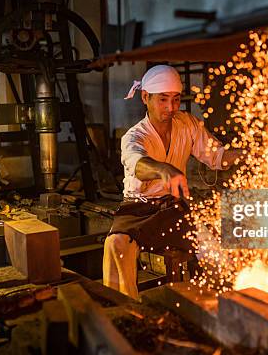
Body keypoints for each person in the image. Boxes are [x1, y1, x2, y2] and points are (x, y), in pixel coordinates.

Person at [102, 65, 242, 299]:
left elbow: (217, 156)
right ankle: (124, 308)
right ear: (145, 97)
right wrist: (163, 170)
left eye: (176, 99)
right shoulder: (134, 136)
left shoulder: (187, 124)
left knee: (215, 252)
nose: (171, 108)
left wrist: (246, 155)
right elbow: (137, 164)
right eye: (163, 100)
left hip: (174, 208)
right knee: (116, 245)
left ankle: (225, 303)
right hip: (139, 209)